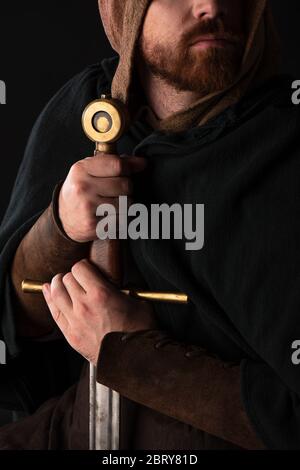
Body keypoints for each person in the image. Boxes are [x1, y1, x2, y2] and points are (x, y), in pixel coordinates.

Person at [0, 0, 299, 450]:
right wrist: (59, 228)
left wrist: (132, 353)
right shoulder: (87, 105)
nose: (211, 6)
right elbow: (13, 318)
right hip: (72, 429)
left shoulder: (286, 146)